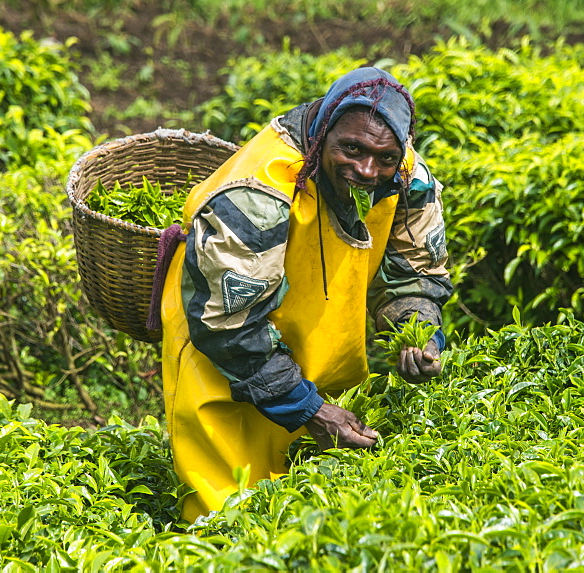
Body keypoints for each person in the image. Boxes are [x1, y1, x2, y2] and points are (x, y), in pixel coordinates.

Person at [158, 67, 452, 522]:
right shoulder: (261, 189)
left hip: (320, 357)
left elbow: (416, 275)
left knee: (308, 523)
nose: (366, 170)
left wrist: (418, 332)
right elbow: (226, 325)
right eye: (350, 149)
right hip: (223, 358)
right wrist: (309, 410)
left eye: (384, 156)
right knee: (226, 517)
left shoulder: (406, 176)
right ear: (322, 134)